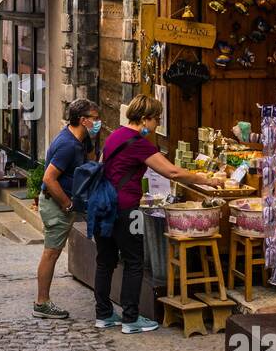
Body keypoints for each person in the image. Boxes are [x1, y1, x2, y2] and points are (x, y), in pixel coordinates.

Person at [94, 94, 213, 334]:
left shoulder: (114, 136)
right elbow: (172, 172)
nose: (157, 125)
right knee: (134, 260)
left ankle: (104, 314)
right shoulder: (138, 142)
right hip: (127, 209)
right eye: (156, 120)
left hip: (102, 207)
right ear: (146, 119)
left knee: (105, 261)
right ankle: (130, 318)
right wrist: (205, 179)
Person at [32, 98, 101, 320]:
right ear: (83, 120)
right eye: (95, 119)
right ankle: (42, 302)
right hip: (56, 204)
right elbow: (49, 179)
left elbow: (88, 164)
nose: (98, 122)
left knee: (52, 251)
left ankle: (43, 301)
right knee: (51, 252)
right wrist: (68, 205)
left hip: (65, 201)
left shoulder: (79, 139)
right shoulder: (68, 145)